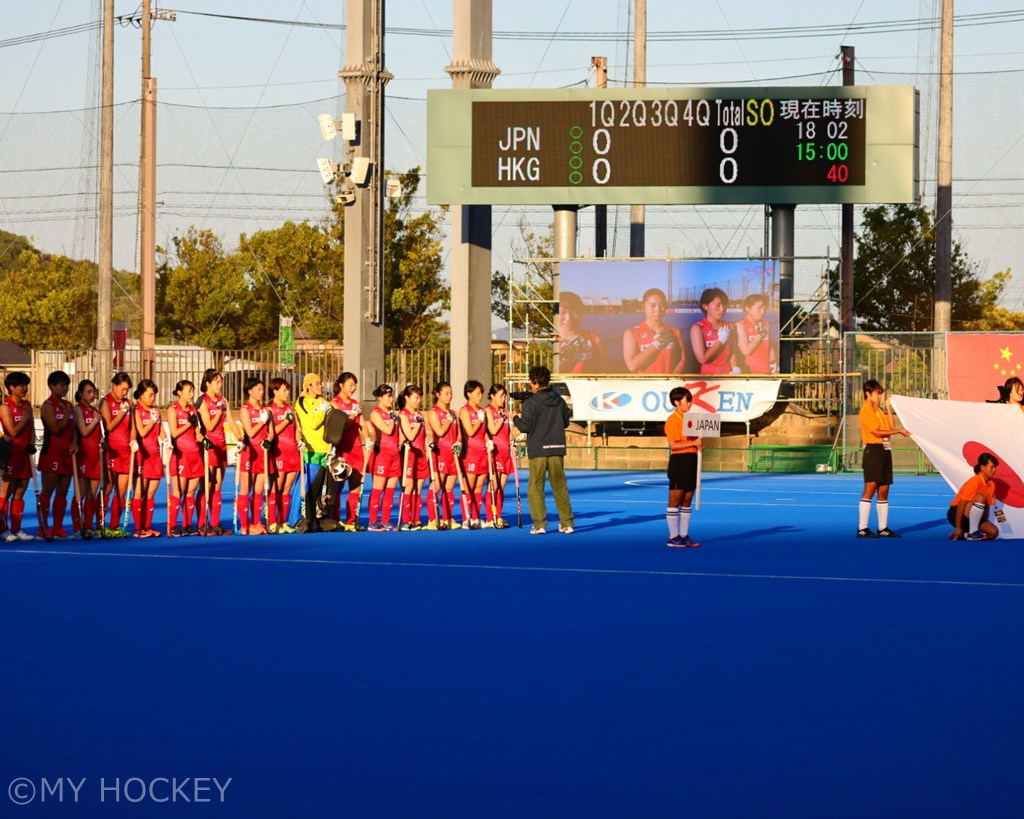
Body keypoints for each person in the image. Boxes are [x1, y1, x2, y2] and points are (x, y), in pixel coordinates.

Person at [513, 365, 574, 535]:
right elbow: (566, 422)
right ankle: (567, 523)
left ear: (534, 382)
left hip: (538, 449)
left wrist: (515, 418)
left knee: (535, 488)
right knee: (560, 486)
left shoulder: (532, 402)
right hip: (557, 448)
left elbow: (525, 427)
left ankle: (540, 524)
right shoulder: (559, 400)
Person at [858, 379, 911, 538]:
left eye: (880, 393)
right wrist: (899, 432)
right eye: (876, 393)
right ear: (868, 393)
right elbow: (877, 432)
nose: (879, 396)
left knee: (884, 489)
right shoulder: (866, 411)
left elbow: (890, 427)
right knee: (870, 488)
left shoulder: (878, 410)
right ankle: (862, 528)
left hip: (885, 450)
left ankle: (883, 528)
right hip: (873, 450)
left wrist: (888, 408)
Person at [196, 369, 238, 536]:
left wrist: (241, 439)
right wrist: (220, 411)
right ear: (208, 383)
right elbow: (209, 425)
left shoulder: (223, 401)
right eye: (217, 382)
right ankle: (201, 523)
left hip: (221, 446)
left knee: (218, 485)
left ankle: (215, 523)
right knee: (207, 485)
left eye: (221, 382)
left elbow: (231, 421)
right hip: (207, 447)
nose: (220, 385)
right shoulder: (202, 402)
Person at [38, 370, 76, 539]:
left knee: (62, 492)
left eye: (66, 385)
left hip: (67, 454)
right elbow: (55, 428)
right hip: (51, 452)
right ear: (52, 386)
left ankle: (58, 527)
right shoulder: (47, 406)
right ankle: (43, 527)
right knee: (48, 491)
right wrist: (67, 414)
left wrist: (75, 442)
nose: (65, 388)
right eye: (61, 385)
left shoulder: (68, 405)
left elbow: (73, 428)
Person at [664, 386, 702, 548]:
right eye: (688, 400)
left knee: (687, 499)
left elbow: (695, 440)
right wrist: (693, 443)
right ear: (677, 402)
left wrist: (698, 445)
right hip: (680, 461)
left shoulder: (690, 420)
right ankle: (673, 537)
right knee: (675, 499)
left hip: (692, 459)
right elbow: (673, 445)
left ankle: (684, 535)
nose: (690, 403)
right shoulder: (673, 421)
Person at [0, 371, 36, 542]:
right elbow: (12, 430)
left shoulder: (27, 405)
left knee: (20, 492)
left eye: (26, 385)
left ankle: (17, 528)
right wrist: (26, 417)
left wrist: (31, 443)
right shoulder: (5, 407)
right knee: (6, 493)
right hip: (10, 454)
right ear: (11, 387)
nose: (25, 388)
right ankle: (3, 529)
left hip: (25, 454)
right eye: (21, 385)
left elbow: (32, 429)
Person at [331, 372, 369, 531]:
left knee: (356, 487)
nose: (353, 388)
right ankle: (335, 520)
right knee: (337, 487)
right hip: (341, 450)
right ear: (341, 385)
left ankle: (351, 521)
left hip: (356, 449)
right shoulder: (334, 403)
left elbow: (363, 425)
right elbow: (342, 427)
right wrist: (352, 414)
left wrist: (367, 441)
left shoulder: (355, 403)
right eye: (350, 385)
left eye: (355, 385)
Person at [237, 376, 275, 535]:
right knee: (246, 489)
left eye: (262, 389)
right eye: (258, 389)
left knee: (258, 490)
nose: (261, 392)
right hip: (250, 453)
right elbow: (250, 433)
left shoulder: (266, 410)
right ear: (249, 391)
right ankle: (244, 524)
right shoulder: (245, 409)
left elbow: (271, 433)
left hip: (263, 453)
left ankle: (256, 522)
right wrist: (261, 421)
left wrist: (268, 440)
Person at [294, 372, 331, 529]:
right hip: (311, 449)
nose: (320, 386)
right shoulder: (302, 402)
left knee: (321, 487)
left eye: (320, 383)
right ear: (308, 386)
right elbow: (312, 424)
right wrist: (322, 411)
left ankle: (316, 518)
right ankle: (300, 517)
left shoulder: (323, 401)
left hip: (325, 448)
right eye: (316, 383)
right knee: (309, 486)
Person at [166, 380, 203, 536]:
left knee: (191, 491)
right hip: (180, 456)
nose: (192, 394)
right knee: (179, 491)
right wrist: (189, 424)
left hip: (195, 455)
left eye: (193, 390)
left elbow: (198, 432)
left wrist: (205, 440)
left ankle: (187, 524)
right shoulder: (173, 409)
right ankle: (173, 525)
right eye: (189, 390)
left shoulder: (193, 410)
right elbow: (174, 433)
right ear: (179, 392)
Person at [99, 371, 134, 535]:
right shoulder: (105, 402)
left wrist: (133, 440)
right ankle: (100, 524)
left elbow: (132, 427)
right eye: (123, 389)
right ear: (114, 385)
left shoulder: (129, 403)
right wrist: (121, 412)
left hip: (127, 453)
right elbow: (109, 427)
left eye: (127, 390)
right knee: (108, 488)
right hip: (111, 451)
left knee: (121, 491)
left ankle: (114, 526)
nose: (125, 393)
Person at [131, 379, 166, 538]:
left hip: (155, 456)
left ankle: (147, 526)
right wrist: (152, 420)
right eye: (150, 395)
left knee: (151, 494)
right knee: (139, 492)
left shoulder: (156, 410)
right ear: (141, 394)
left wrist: (166, 441)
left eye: (154, 395)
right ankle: (138, 528)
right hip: (141, 456)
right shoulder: (136, 410)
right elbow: (142, 432)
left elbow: (161, 431)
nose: (153, 398)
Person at [623, 287, 685, 374]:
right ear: (643, 307)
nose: (658, 309)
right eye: (653, 305)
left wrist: (670, 381)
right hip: (646, 386)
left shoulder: (675, 332)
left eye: (662, 305)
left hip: (670, 384)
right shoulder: (631, 333)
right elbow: (632, 366)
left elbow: (682, 360)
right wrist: (657, 343)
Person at [397, 385, 432, 530]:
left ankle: (416, 519)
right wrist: (418, 423)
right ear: (407, 398)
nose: (418, 400)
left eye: (419, 397)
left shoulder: (420, 415)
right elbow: (410, 436)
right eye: (416, 397)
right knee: (408, 488)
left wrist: (427, 451)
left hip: (420, 456)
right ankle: (406, 519)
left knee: (418, 489)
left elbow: (424, 436)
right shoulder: (403, 415)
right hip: (408, 456)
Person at [427, 381, 460, 529]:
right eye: (446, 393)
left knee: (449, 488)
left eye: (450, 393)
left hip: (452, 454)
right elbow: (439, 431)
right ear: (438, 395)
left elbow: (459, 433)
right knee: (437, 486)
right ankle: (433, 519)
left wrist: (458, 442)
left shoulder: (453, 413)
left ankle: (448, 518)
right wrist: (448, 420)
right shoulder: (433, 412)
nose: (449, 396)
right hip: (439, 453)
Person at [366, 384, 400, 531]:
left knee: (390, 491)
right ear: (379, 397)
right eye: (387, 396)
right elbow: (387, 429)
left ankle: (386, 520)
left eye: (391, 395)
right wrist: (393, 418)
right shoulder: (375, 413)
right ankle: (373, 521)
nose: (390, 399)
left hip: (395, 455)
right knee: (378, 490)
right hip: (382, 455)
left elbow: (399, 433)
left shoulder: (394, 414)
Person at [269, 377, 300, 534]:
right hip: (278, 452)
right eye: (284, 390)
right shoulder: (270, 409)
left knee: (287, 489)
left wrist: (299, 441)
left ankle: (283, 521)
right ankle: (272, 521)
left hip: (292, 452)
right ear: (275, 391)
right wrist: (285, 421)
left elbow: (296, 429)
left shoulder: (289, 408)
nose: (287, 393)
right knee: (277, 488)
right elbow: (271, 432)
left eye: (288, 390)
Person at [72, 379, 102, 537]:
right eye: (88, 392)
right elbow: (83, 431)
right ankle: (78, 526)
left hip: (95, 457)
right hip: (83, 456)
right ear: (80, 393)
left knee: (92, 493)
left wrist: (102, 440)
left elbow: (99, 434)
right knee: (81, 493)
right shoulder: (78, 410)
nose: (92, 395)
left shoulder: (95, 410)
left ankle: (89, 526)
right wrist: (96, 420)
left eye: (93, 391)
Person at [948, 452, 1001, 542]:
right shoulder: (974, 482)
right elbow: (961, 504)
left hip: (973, 518)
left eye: (995, 467)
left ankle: (965, 535)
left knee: (993, 532)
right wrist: (958, 527)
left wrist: (985, 522)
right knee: (980, 498)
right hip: (957, 513)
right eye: (991, 467)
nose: (994, 470)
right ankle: (972, 532)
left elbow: (987, 508)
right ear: (982, 467)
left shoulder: (991, 484)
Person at [458, 380, 489, 529]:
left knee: (479, 487)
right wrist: (479, 419)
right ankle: (466, 518)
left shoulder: (481, 410)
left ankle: (476, 517)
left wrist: (489, 441)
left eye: (481, 393)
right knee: (468, 486)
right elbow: (470, 431)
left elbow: (485, 432)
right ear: (469, 394)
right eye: (477, 393)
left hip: (482, 452)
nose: (480, 396)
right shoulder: (465, 410)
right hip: (470, 452)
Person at [484, 384, 513, 528]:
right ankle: (491, 517)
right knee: (493, 485)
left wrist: (513, 441)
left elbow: (508, 432)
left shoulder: (505, 411)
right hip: (494, 453)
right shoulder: (488, 411)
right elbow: (493, 430)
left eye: (504, 395)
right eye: (501, 395)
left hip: (506, 453)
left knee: (501, 487)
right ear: (493, 396)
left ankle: (498, 516)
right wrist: (502, 418)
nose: (503, 398)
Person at [558, 291, 608, 373]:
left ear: (581, 313)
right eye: (562, 313)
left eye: (575, 312)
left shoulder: (594, 340)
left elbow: (604, 371)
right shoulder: (547, 341)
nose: (569, 318)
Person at [689, 287, 735, 375]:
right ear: (705, 306)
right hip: (709, 380)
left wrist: (735, 368)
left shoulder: (730, 327)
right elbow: (702, 359)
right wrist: (721, 341)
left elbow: (732, 352)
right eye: (718, 305)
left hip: (728, 376)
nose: (722, 309)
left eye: (724, 304)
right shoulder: (697, 328)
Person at [735, 293, 777, 375]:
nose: (763, 312)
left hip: (766, 371)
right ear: (747, 308)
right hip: (749, 374)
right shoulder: (740, 325)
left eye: (764, 309)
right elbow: (746, 351)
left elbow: (770, 345)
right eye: (759, 308)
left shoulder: (765, 324)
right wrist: (760, 335)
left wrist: (773, 362)